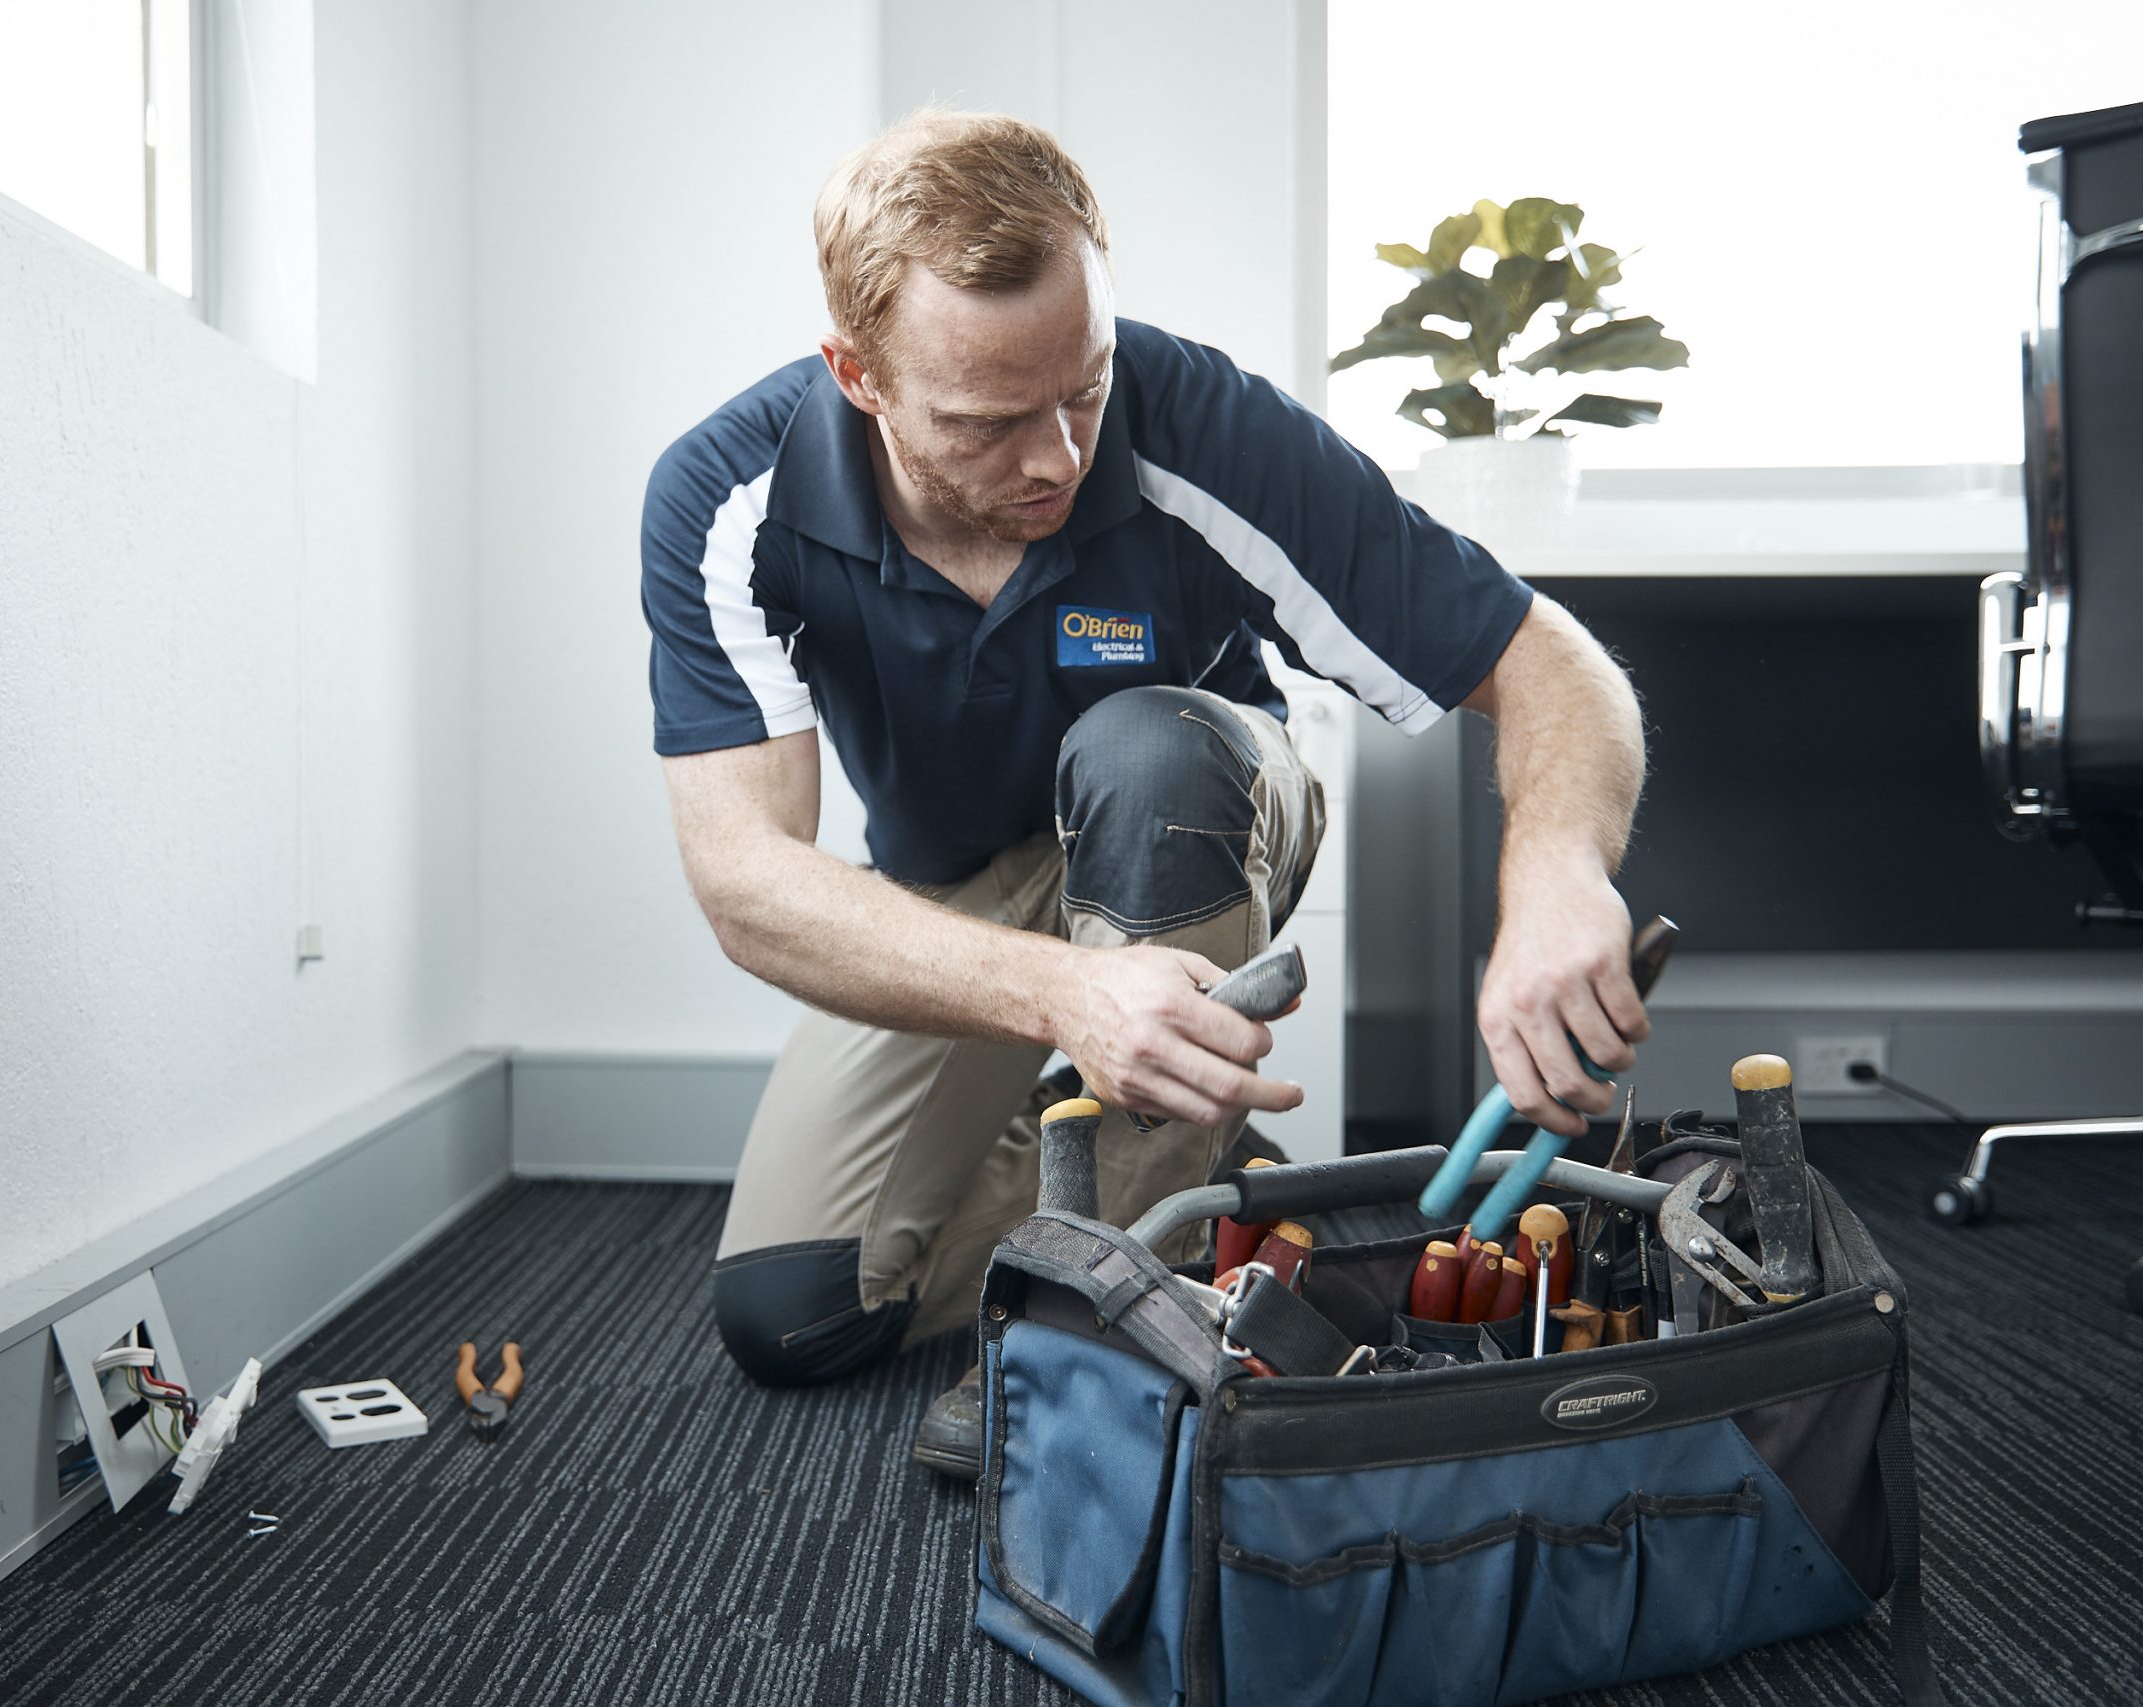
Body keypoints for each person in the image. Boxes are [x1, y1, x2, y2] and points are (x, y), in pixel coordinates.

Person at [639, 111, 1647, 1478]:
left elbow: (1551, 664)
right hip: (962, 889)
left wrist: (1553, 880)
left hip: (1196, 801)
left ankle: (1115, 1312)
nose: (1056, 455)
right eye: (991, 423)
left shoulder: (1204, 425)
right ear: (857, 377)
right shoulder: (726, 501)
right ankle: (1186, 1187)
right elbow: (745, 882)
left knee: (1144, 750)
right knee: (795, 1311)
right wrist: (1061, 997)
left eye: (1084, 390)